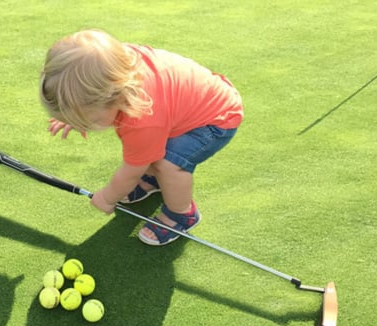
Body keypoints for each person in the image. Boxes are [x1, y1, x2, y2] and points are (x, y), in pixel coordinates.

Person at [39, 29, 243, 245]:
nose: (85, 125)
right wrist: (75, 115)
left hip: (215, 120)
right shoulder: (112, 67)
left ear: (115, 98)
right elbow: (83, 89)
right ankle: (154, 181)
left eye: (90, 120)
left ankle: (182, 214)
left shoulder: (141, 120)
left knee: (168, 164)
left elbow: (131, 170)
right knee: (150, 151)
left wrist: (108, 197)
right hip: (184, 108)